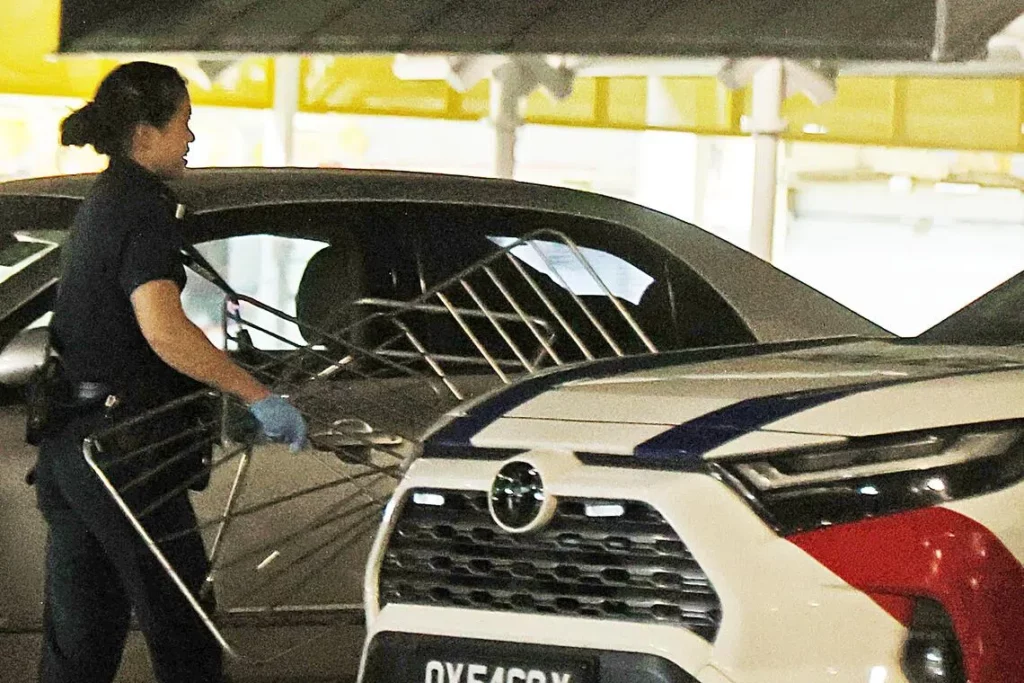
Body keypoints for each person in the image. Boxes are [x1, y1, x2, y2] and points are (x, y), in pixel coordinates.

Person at [33, 61, 308, 683]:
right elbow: (164, 329)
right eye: (183, 122)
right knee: (184, 632)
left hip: (73, 446)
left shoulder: (103, 200)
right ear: (145, 133)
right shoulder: (144, 208)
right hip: (125, 453)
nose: (191, 136)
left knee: (80, 646)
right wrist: (256, 393)